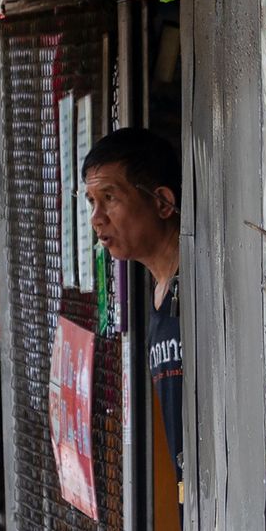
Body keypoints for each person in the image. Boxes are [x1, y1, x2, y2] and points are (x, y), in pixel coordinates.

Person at [82, 127, 182, 482]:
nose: (96, 218)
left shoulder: (199, 284)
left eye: (109, 197)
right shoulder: (156, 296)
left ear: (162, 203)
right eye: (92, 202)